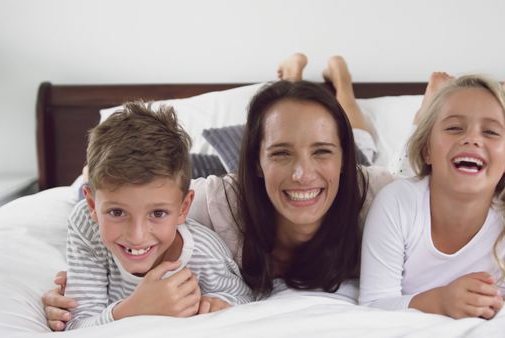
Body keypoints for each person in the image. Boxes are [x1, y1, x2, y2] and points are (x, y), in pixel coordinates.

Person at [43, 54, 396, 331]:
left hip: (356, 163)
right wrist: (68, 293)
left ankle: (342, 86)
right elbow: (124, 200)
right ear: (255, 160)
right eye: (280, 152)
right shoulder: (215, 203)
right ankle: (291, 82)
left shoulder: (379, 196)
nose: (302, 173)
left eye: (323, 150)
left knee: (362, 142)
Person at [358, 74, 505, 319]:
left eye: (491, 132)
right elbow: (374, 303)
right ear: (428, 150)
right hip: (382, 185)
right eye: (454, 127)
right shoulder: (394, 201)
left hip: (474, 173)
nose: (472, 138)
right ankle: (418, 113)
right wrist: (440, 301)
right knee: (394, 170)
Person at [63, 101, 253, 329]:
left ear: (183, 208)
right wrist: (134, 309)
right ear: (92, 205)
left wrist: (219, 305)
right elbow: (77, 325)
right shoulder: (86, 224)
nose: (137, 236)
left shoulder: (205, 254)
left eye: (158, 213)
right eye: (117, 212)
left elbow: (245, 300)